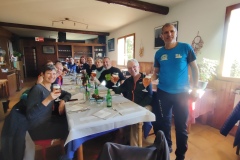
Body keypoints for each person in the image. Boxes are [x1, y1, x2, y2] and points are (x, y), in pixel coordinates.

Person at [152, 23, 199, 160]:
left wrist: (195, 88)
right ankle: (167, 147)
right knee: (164, 123)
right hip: (163, 93)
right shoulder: (159, 53)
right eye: (166, 32)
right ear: (162, 36)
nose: (169, 34)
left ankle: (181, 155)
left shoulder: (185, 48)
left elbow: (195, 69)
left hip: (182, 94)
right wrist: (150, 78)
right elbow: (156, 72)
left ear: (176, 33)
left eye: (171, 31)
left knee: (181, 126)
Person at [27, 64, 72, 159]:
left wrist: (63, 101)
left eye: (54, 73)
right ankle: (68, 156)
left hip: (48, 121)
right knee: (70, 128)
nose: (52, 76)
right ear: (42, 74)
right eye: (48, 73)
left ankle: (68, 153)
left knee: (69, 121)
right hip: (37, 128)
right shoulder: (37, 89)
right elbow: (30, 115)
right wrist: (48, 99)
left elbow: (67, 94)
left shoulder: (52, 87)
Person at [111, 59, 153, 146]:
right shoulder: (128, 80)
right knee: (117, 112)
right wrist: (115, 83)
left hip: (145, 105)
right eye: (129, 68)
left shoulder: (146, 78)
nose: (132, 69)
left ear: (138, 67)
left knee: (134, 119)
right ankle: (124, 139)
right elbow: (119, 90)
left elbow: (149, 96)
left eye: (134, 67)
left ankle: (135, 148)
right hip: (131, 105)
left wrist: (138, 106)